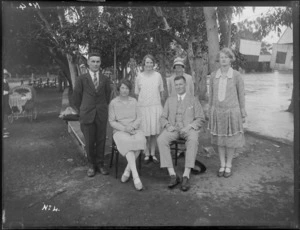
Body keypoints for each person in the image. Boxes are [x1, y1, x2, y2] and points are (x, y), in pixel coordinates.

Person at [157, 75, 205, 192]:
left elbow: (200, 118)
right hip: (173, 129)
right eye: (176, 85)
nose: (178, 87)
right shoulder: (170, 100)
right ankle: (173, 175)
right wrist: (168, 126)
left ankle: (186, 176)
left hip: (189, 129)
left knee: (193, 140)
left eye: (181, 84)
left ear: (185, 85)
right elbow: (163, 117)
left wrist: (189, 126)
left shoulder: (193, 99)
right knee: (161, 139)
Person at [208, 47, 247, 178]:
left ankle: (229, 165)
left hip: (232, 112)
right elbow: (211, 94)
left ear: (231, 59)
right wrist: (210, 110)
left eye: (226, 57)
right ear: (219, 60)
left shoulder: (236, 75)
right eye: (221, 57)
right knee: (220, 140)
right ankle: (222, 164)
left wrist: (243, 111)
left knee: (230, 140)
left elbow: (241, 95)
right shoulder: (214, 75)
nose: (223, 59)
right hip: (218, 112)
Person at [73, 52, 112, 177]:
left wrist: (101, 107)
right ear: (88, 63)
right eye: (93, 61)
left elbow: (107, 96)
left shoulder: (105, 79)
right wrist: (83, 110)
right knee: (89, 141)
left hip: (101, 114)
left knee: (101, 140)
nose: (95, 64)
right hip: (87, 114)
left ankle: (100, 164)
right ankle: (91, 165)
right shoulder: (81, 79)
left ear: (100, 63)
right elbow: (76, 98)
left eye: (98, 61)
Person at [109, 79, 146, 191]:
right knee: (128, 144)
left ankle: (127, 170)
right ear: (119, 89)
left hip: (134, 129)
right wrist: (125, 128)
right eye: (122, 88)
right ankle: (136, 177)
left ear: (130, 90)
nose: (124, 90)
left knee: (140, 141)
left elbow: (139, 117)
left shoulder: (134, 101)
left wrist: (133, 127)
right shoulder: (113, 103)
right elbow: (112, 121)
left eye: (127, 88)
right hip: (120, 131)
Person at [135, 54, 164, 164]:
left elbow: (161, 91)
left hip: (155, 107)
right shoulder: (139, 76)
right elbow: (137, 93)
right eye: (147, 62)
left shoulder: (158, 76)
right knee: (145, 132)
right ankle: (146, 153)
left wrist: (158, 104)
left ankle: (152, 153)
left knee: (154, 132)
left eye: (151, 62)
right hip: (143, 108)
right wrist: (142, 105)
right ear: (144, 64)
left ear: (153, 64)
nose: (149, 64)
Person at [3, 69, 11, 138]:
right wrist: (8, 92)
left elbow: (7, 89)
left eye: (6, 74)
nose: (5, 75)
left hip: (5, 100)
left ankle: (4, 129)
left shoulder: (6, 82)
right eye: (4, 74)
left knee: (5, 114)